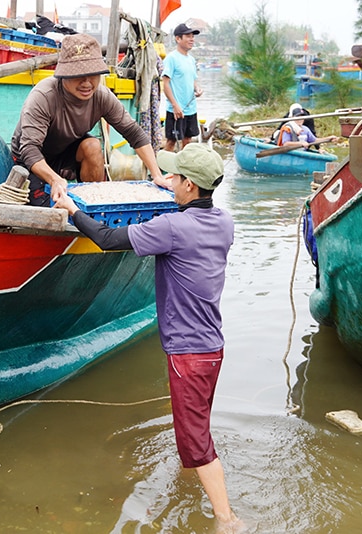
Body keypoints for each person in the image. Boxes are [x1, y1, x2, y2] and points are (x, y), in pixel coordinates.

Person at [53, 143, 242, 531]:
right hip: (212, 346)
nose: (167, 181)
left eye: (173, 177)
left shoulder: (172, 227)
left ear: (190, 185)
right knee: (195, 425)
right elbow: (186, 224)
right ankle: (188, 478)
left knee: (197, 438)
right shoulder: (224, 222)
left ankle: (228, 520)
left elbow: (107, 239)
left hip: (188, 353)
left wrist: (74, 211)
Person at [11, 33, 165, 206]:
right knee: (44, 205)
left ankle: (93, 203)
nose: (87, 83)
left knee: (92, 146)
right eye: (78, 75)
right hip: (29, 159)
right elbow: (29, 149)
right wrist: (54, 179)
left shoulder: (101, 96)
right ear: (63, 75)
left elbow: (133, 132)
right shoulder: (44, 96)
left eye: (93, 75)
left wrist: (157, 175)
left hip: (65, 152)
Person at [162, 23, 203, 151]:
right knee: (171, 141)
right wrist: (175, 105)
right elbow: (165, 84)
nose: (192, 39)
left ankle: (183, 170)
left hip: (190, 108)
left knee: (188, 140)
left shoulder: (191, 59)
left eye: (193, 36)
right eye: (188, 36)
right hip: (176, 110)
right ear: (178, 39)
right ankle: (159, 170)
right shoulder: (171, 59)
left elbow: (192, 80)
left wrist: (197, 89)